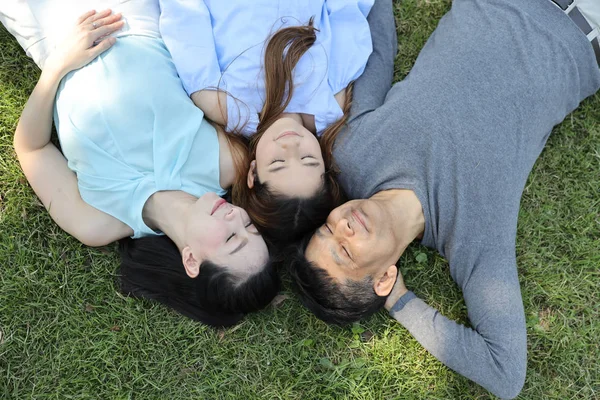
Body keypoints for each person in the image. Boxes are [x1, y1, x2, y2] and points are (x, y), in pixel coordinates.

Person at [288, 0, 600, 397]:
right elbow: (506, 374)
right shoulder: (472, 237)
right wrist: (400, 303)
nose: (341, 227)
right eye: (345, 252)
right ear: (384, 277)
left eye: (326, 229)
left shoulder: (353, 155)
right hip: (584, 24)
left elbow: (379, 51)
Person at [10, 7, 280, 327]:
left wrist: (58, 65)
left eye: (232, 239)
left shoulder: (98, 222)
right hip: (131, 15)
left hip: (52, 30)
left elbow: (31, 147)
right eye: (250, 228)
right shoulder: (228, 163)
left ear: (191, 260)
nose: (237, 217)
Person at [158, 0, 375, 244]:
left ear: (253, 171)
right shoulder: (328, 102)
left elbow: (187, 24)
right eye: (308, 159)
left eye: (277, 162)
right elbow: (345, 17)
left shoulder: (224, 105)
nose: (291, 147)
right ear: (324, 162)